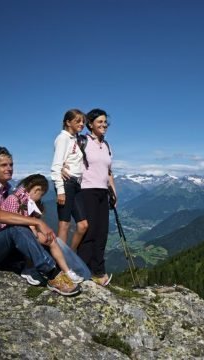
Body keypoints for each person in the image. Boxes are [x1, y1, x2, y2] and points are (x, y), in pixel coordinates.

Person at [0, 146, 80, 296]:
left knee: (34, 235)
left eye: (11, 164)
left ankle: (52, 269)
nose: (9, 168)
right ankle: (52, 274)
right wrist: (37, 222)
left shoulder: (5, 189)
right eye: (3, 165)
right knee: (17, 229)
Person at [0, 174, 89, 285]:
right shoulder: (13, 200)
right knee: (33, 239)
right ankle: (29, 269)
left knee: (51, 239)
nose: (40, 198)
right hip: (12, 238)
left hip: (24, 233)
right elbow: (11, 225)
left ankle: (66, 271)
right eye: (41, 195)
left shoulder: (26, 201)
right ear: (37, 190)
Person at [74, 108, 117, 286]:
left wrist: (113, 192)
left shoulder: (106, 145)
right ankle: (83, 270)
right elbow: (69, 160)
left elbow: (108, 171)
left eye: (105, 122)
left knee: (102, 233)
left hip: (102, 192)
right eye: (99, 122)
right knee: (90, 233)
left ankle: (98, 272)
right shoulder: (82, 141)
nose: (104, 125)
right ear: (90, 124)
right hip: (86, 190)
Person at [51, 109, 89, 250]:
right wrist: (60, 190)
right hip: (66, 184)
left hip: (75, 184)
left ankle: (70, 256)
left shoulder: (74, 139)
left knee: (83, 225)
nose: (81, 124)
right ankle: (60, 264)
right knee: (64, 224)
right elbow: (56, 166)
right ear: (68, 122)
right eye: (77, 121)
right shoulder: (63, 138)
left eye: (83, 121)